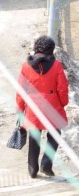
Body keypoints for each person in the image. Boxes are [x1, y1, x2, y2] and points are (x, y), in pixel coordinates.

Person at [16, 36, 69, 178]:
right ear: (51, 50)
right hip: (52, 106)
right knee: (55, 133)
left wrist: (20, 109)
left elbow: (21, 90)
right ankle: (46, 163)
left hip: (33, 107)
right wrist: (63, 103)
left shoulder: (26, 66)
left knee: (34, 136)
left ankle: (32, 169)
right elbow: (63, 88)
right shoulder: (56, 65)